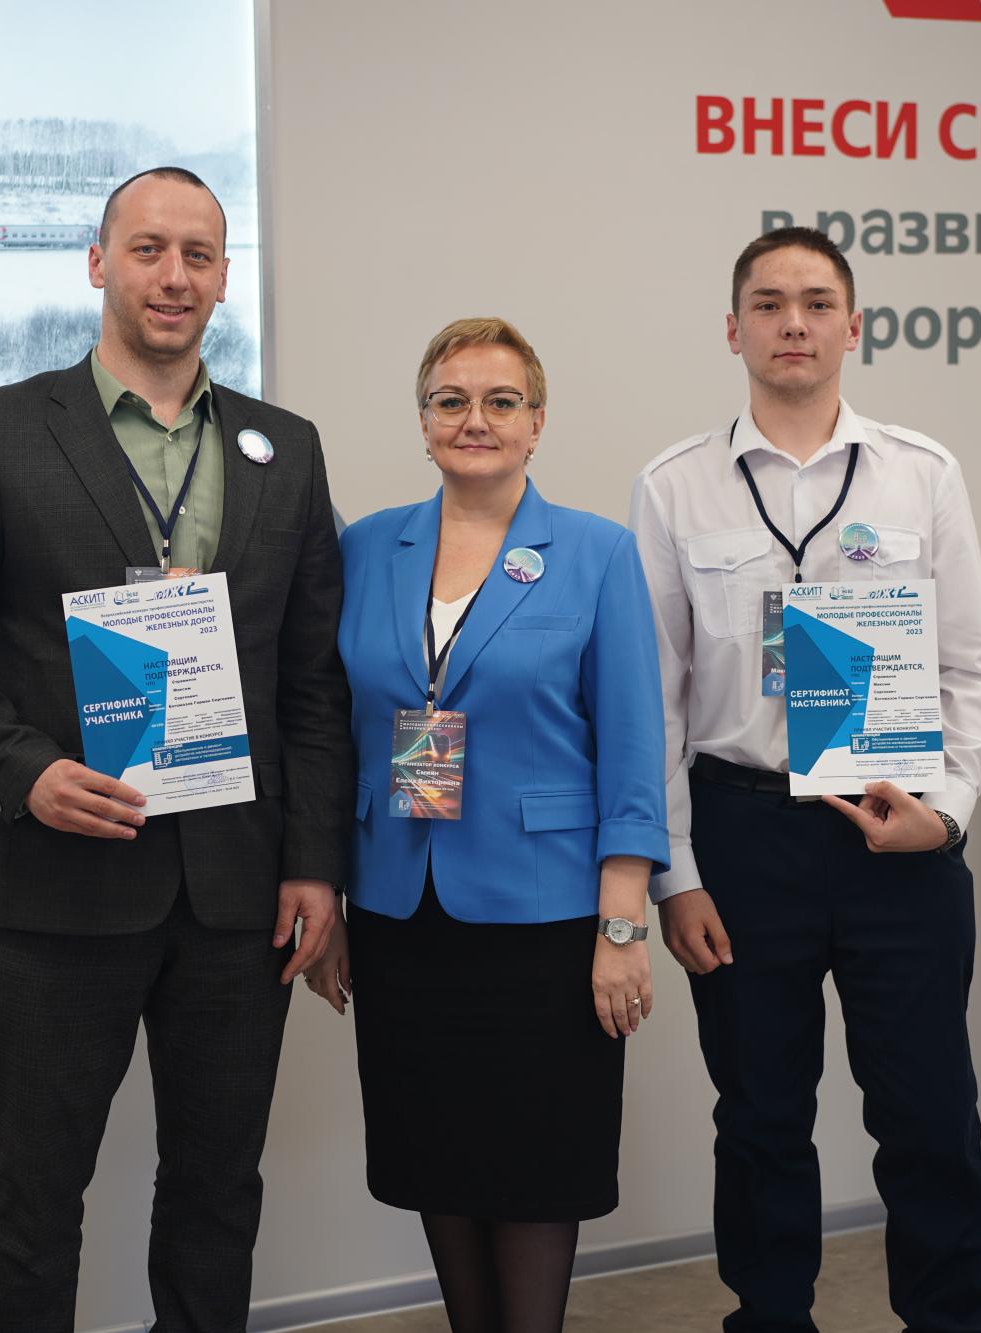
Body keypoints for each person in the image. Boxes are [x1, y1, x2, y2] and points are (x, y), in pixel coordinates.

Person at [0, 166, 352, 1333]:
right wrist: (25, 771)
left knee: (216, 1192)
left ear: (225, 278)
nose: (173, 276)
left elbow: (310, 678)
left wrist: (314, 864)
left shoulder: (283, 448)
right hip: (59, 881)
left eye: (198, 254)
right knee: (34, 1197)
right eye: (147, 249)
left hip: (238, 894)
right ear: (98, 263)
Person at [628, 227, 981, 1333]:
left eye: (814, 302)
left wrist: (944, 817)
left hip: (896, 835)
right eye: (767, 303)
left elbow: (974, 674)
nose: (791, 322)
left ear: (853, 326)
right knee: (758, 1121)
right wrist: (675, 876)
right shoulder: (673, 486)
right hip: (742, 841)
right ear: (732, 329)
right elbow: (653, 702)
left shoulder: (920, 473)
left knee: (930, 1118)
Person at [306, 318, 669, 1332]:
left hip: (547, 921)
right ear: (422, 421)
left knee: (535, 1168)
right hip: (400, 913)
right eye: (451, 400)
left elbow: (632, 749)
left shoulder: (595, 553)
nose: (475, 419)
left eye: (501, 401)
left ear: (536, 422)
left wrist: (623, 924)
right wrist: (331, 893)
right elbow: (329, 727)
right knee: (439, 1157)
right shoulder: (367, 548)